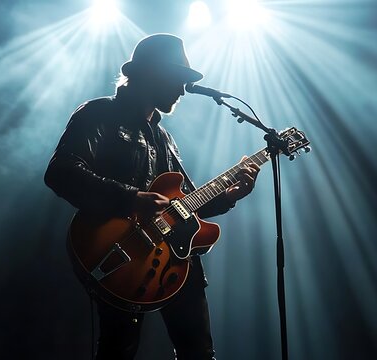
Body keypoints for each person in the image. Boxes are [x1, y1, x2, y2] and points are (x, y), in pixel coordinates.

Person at [44, 33, 260, 360]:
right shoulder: (98, 114)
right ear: (149, 73)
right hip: (120, 252)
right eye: (177, 78)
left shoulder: (165, 138)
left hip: (174, 259)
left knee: (199, 353)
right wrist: (132, 198)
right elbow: (61, 171)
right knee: (119, 351)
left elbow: (186, 202)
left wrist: (231, 194)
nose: (182, 89)